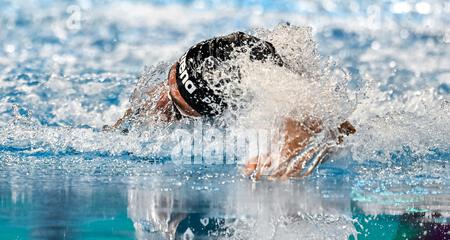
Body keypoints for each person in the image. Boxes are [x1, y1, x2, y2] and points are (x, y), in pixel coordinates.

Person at [106, 31, 355, 179]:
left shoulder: (283, 103)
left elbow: (317, 124)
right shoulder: (245, 62)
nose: (158, 105)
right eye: (166, 83)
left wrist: (282, 166)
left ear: (226, 111)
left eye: (177, 109)